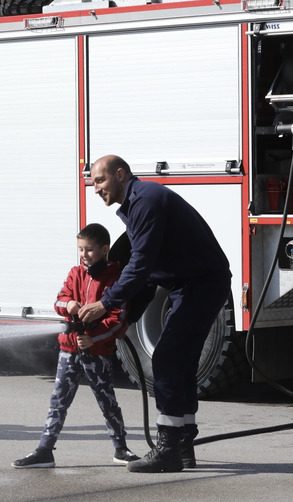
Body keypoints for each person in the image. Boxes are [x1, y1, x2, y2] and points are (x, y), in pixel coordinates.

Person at [79, 155, 231, 473]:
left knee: (166, 360)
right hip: (191, 286)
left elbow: (141, 265)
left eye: (100, 180)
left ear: (120, 174)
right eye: (93, 182)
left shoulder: (146, 200)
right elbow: (149, 277)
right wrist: (125, 321)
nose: (95, 189)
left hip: (200, 285)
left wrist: (105, 304)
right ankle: (183, 443)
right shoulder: (138, 204)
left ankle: (169, 448)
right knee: (182, 362)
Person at [12, 224, 139, 469]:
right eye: (81, 249)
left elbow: (117, 318)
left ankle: (121, 449)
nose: (84, 255)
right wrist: (69, 304)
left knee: (107, 402)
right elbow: (59, 299)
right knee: (58, 401)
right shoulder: (75, 273)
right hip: (68, 351)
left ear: (105, 250)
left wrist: (95, 339)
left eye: (89, 250)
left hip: (96, 353)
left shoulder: (114, 277)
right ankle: (44, 450)